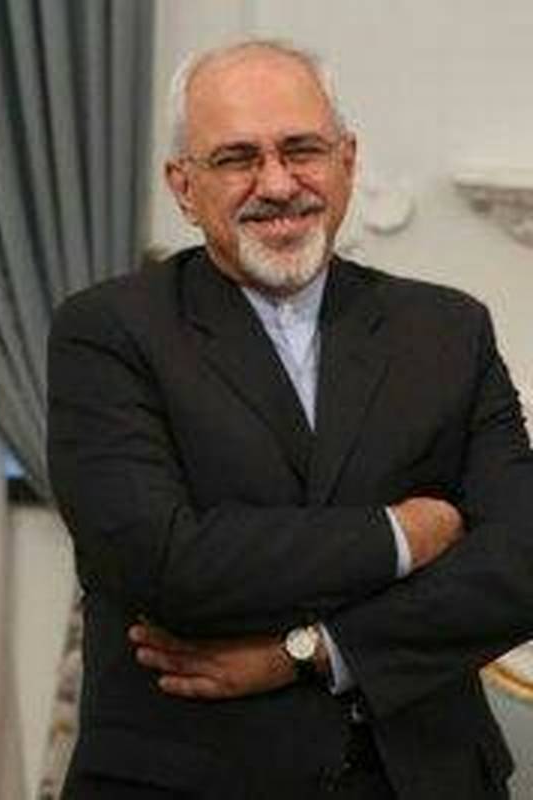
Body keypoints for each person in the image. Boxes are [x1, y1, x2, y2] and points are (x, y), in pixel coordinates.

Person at [47, 39, 533, 799]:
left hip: (423, 778)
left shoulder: (448, 330)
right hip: (193, 781)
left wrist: (314, 649)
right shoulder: (107, 332)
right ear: (183, 185)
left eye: (301, 149)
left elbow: (522, 561)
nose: (277, 183)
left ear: (347, 160)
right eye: (237, 158)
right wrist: (403, 534)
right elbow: (165, 565)